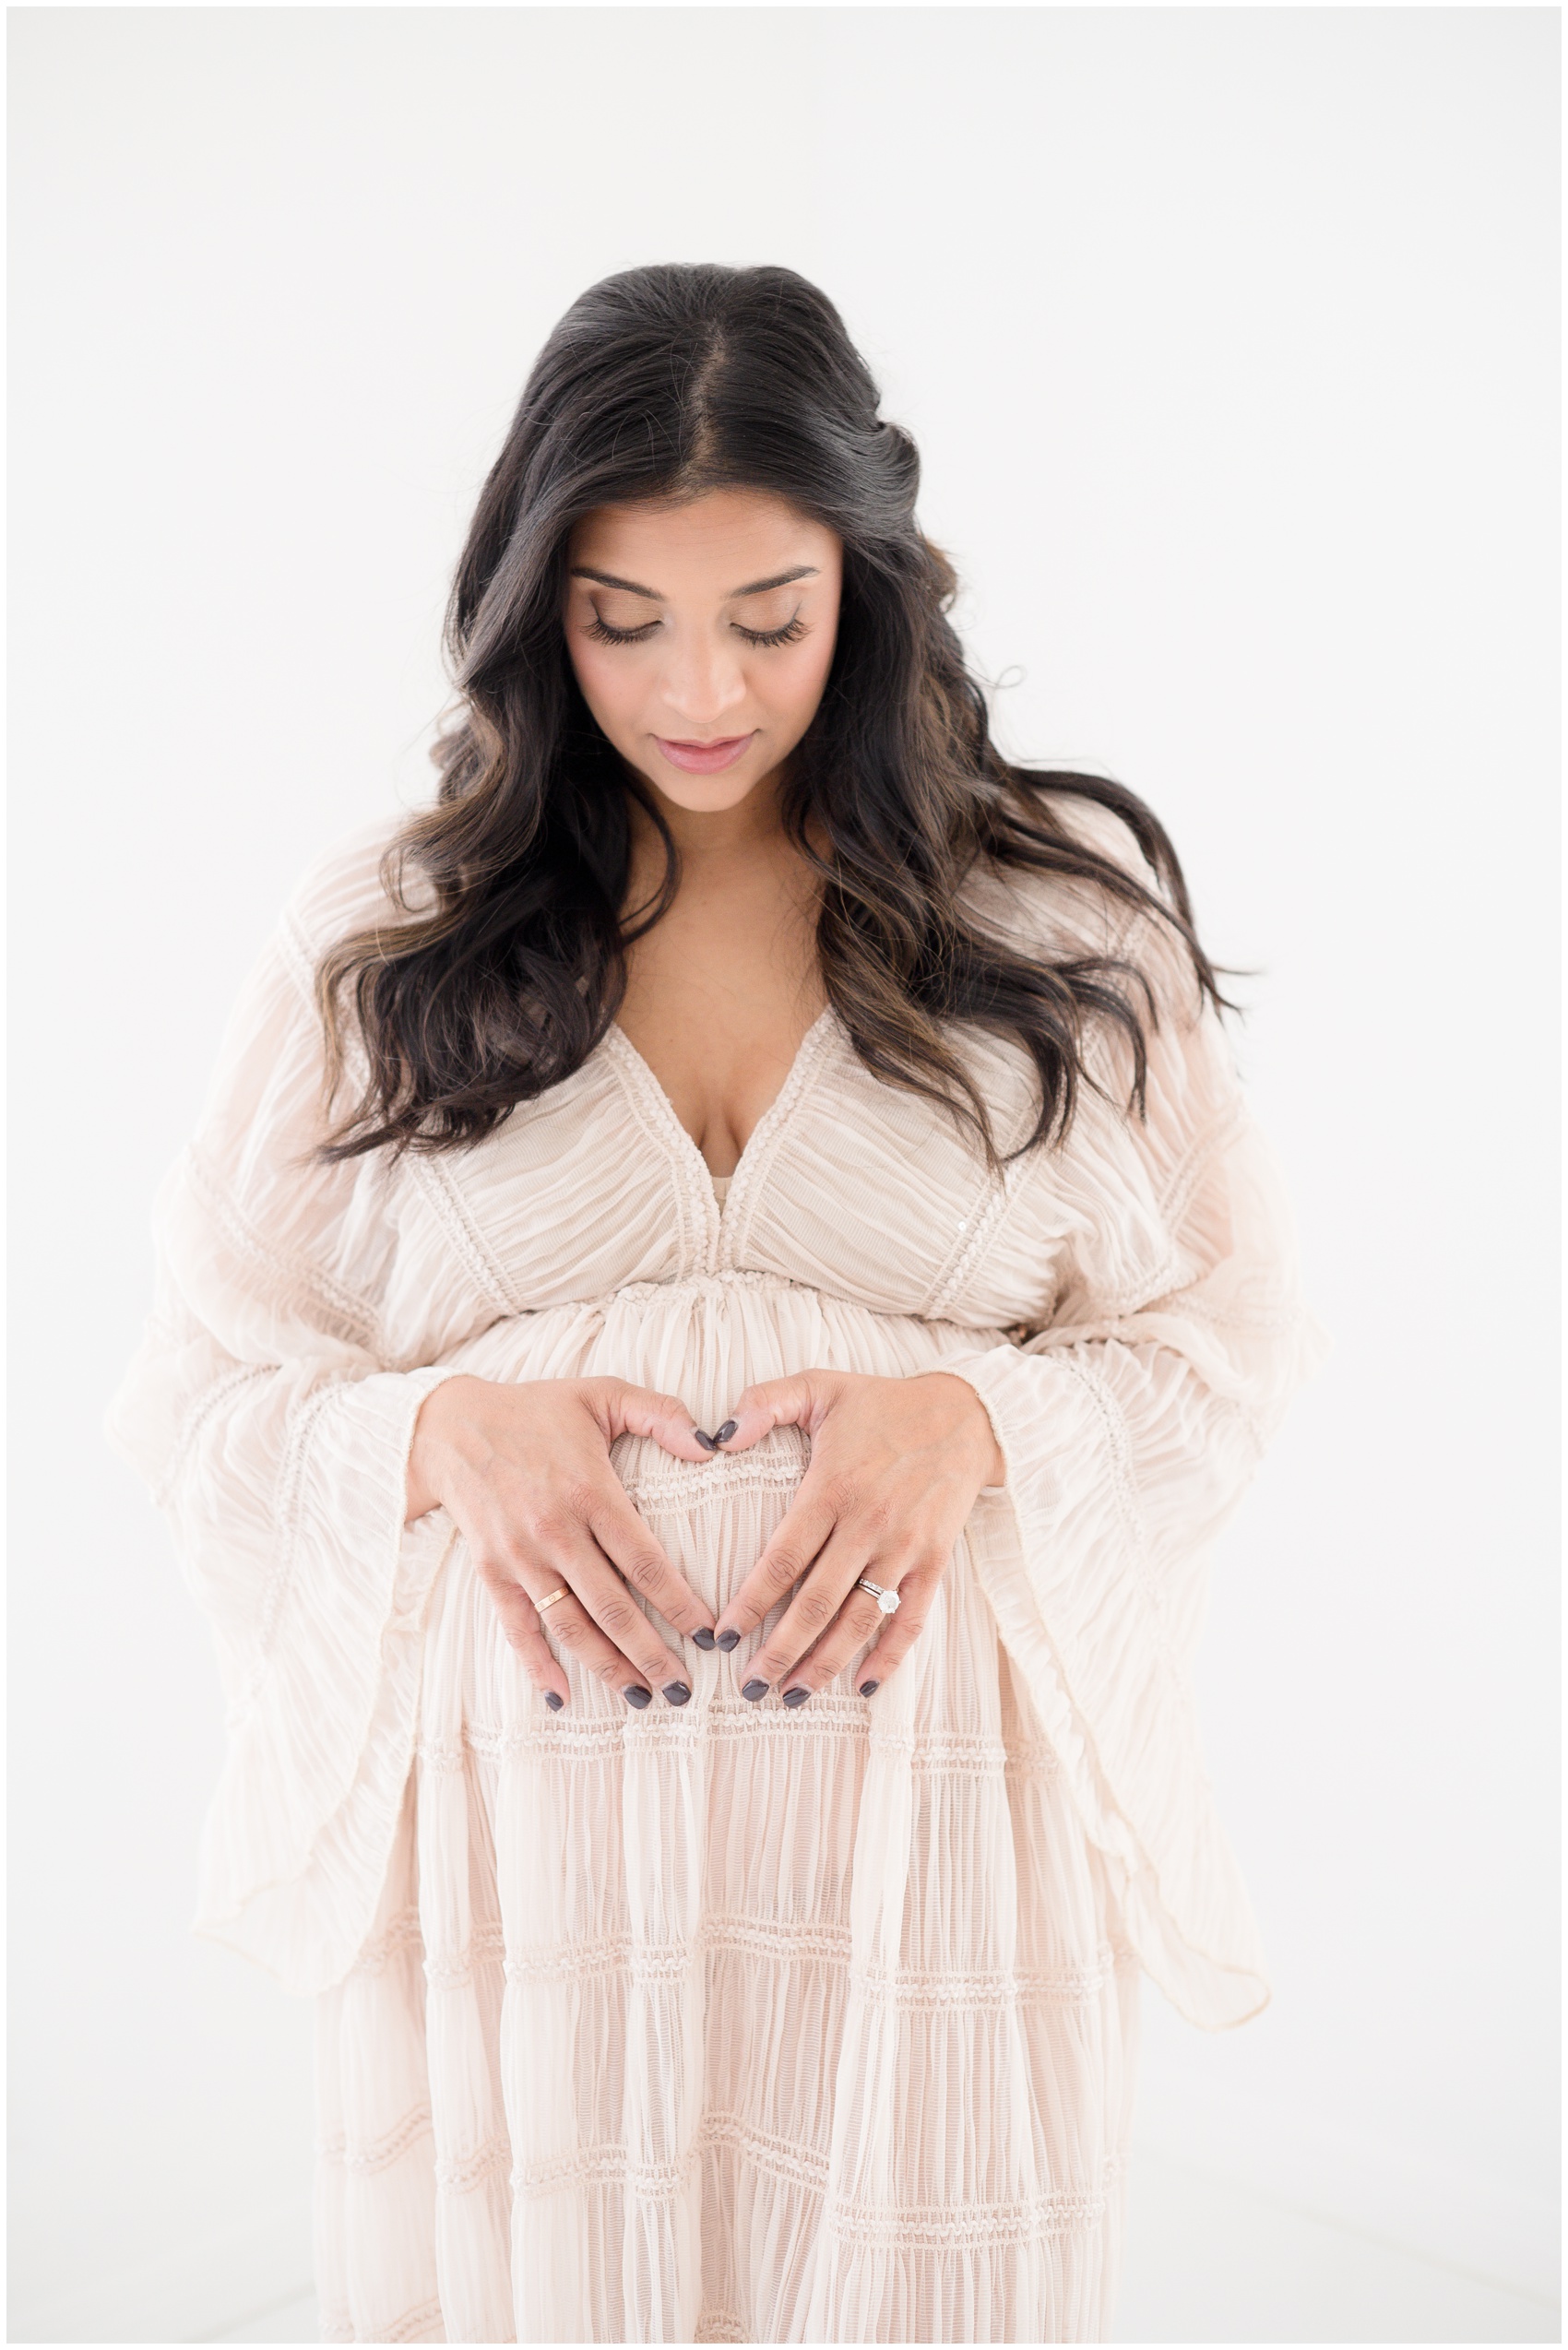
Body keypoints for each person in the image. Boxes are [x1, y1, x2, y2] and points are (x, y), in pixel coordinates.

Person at [107, 262, 1324, 2346]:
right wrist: (415, 1432)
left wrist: (989, 1424)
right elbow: (200, 1378)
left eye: (768, 614)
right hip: (526, 1895)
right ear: (529, 600)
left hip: (936, 1862)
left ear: (867, 579)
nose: (697, 687)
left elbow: (1226, 1348)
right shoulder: (386, 941)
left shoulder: (1061, 936)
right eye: (620, 616)